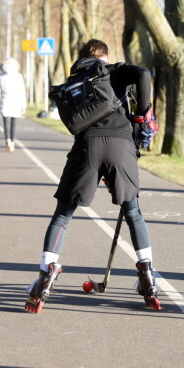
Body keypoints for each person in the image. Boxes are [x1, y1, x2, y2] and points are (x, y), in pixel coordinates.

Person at [25, 39, 160, 313]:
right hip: (122, 146)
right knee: (133, 211)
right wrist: (141, 115)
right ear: (105, 57)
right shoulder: (115, 71)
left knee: (63, 215)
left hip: (86, 148)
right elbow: (144, 74)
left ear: (81, 57)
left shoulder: (74, 81)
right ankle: (146, 271)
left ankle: (47, 270)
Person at [0, 58, 26, 152]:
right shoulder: (18, 76)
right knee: (14, 123)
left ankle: (8, 141)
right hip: (16, 102)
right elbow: (22, 91)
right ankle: (13, 142)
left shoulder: (1, 76)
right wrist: (23, 106)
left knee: (6, 123)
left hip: (5, 102)